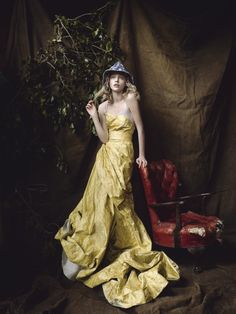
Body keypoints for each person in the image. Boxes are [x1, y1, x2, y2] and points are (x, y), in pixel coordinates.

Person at [55, 61, 180, 308]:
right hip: (106, 157)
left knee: (120, 199)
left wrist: (142, 155)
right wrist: (94, 117)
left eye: (121, 77)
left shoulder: (130, 99)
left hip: (124, 155)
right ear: (107, 82)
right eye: (112, 77)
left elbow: (141, 129)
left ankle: (125, 246)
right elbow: (103, 138)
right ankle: (96, 254)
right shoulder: (102, 106)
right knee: (100, 204)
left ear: (126, 82)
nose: (116, 81)